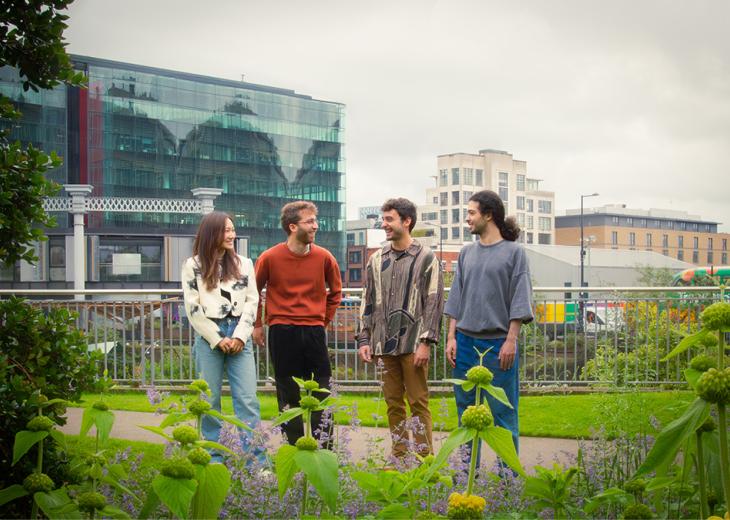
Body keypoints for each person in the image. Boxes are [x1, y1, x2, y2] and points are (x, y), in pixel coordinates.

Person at [444, 190, 533, 463]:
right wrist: (451, 337)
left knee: (504, 413)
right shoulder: (466, 253)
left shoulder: (514, 253)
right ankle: (467, 477)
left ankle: (509, 482)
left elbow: (520, 297)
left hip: (498, 345)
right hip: (465, 344)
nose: (467, 219)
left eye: (471, 213)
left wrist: (511, 340)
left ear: (488, 214)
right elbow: (456, 297)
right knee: (466, 414)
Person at [357, 198, 444, 459]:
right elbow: (367, 299)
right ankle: (400, 457)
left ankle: (424, 459)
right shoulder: (375, 259)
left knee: (418, 402)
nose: (384, 224)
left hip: (413, 343)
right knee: (393, 403)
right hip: (383, 344)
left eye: (389, 219)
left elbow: (434, 302)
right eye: (383, 219)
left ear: (406, 221)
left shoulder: (426, 257)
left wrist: (426, 342)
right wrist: (364, 339)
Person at [252, 201, 342, 446]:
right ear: (293, 226)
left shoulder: (324, 257)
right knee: (287, 391)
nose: (316, 225)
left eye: (315, 220)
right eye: (310, 221)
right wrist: (257, 324)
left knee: (322, 389)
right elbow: (253, 292)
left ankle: (324, 447)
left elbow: (336, 292)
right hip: (282, 330)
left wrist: (323, 320)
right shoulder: (269, 257)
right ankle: (293, 448)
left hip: (314, 330)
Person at [181, 211, 261, 457]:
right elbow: (193, 309)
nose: (232, 235)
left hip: (239, 334)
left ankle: (256, 461)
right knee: (209, 400)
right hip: (209, 338)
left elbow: (252, 301)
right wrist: (217, 338)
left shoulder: (244, 264)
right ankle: (213, 455)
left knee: (247, 399)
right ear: (211, 233)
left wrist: (239, 336)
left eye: (233, 229)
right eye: (226, 230)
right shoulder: (192, 266)